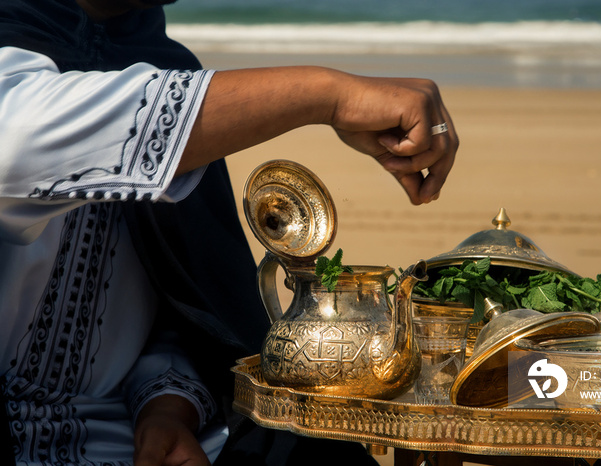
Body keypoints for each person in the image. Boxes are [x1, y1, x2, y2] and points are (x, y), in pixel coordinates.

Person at [0, 0, 458, 464]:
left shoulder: (170, 72)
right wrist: (328, 95)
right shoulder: (30, 57)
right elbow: (15, 145)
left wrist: (166, 409)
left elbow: (183, 311)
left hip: (116, 440)